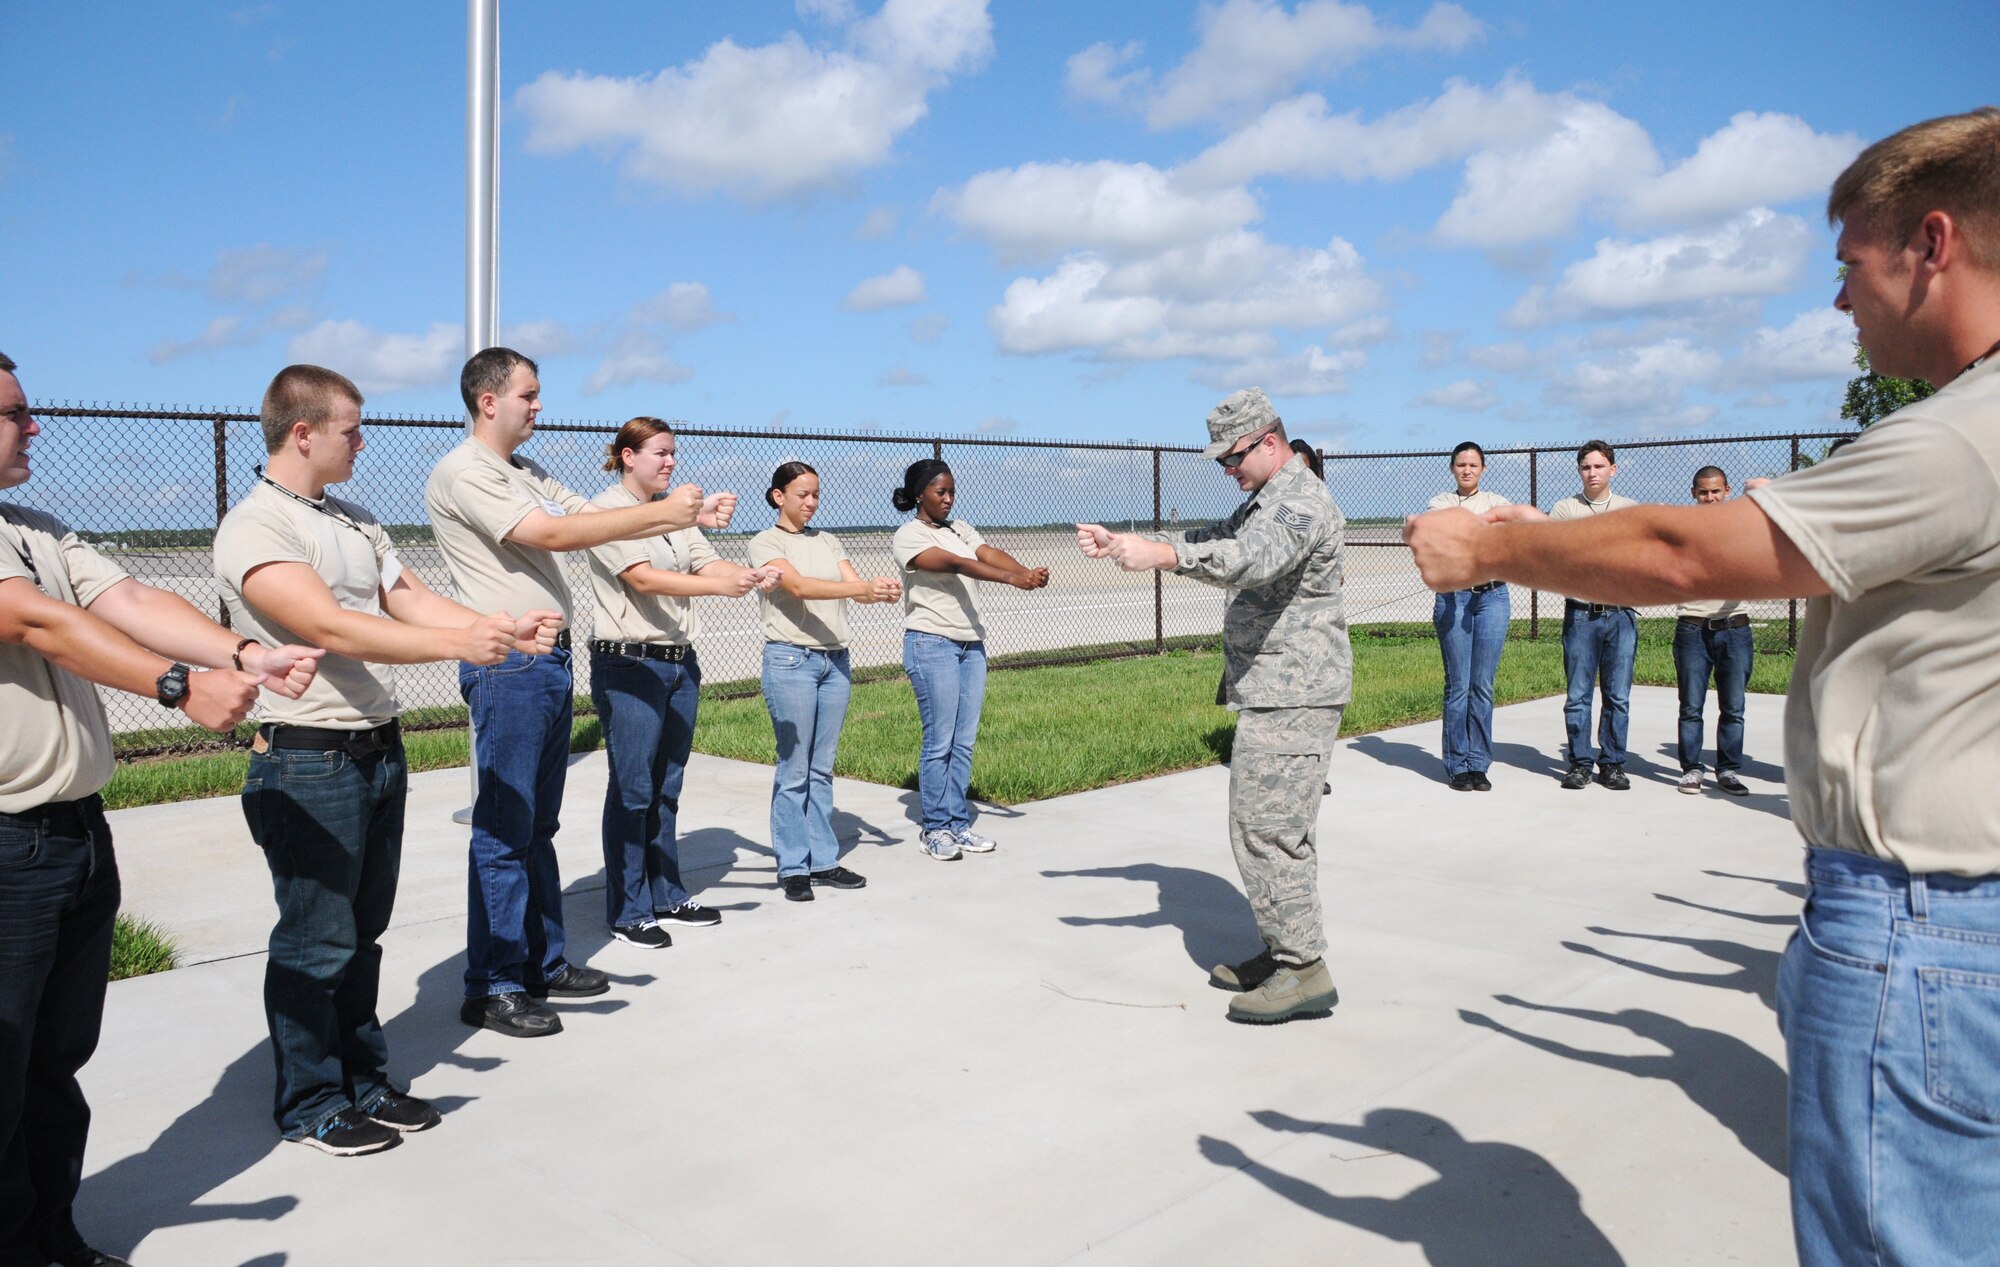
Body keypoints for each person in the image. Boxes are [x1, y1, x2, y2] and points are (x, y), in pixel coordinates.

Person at [1403, 107, 2000, 1266]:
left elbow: (1687, 556)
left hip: (1915, 923)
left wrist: (1488, 550)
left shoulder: (1957, 438)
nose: (1840, 304)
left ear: (1931, 245)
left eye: (1850, 266)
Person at [0, 350, 321, 1265]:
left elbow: (126, 596)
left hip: (71, 833)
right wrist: (180, 687)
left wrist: (241, 654)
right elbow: (34, 622)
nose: (34, 426)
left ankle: (48, 1240)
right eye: (16, 413)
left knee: (52, 1069)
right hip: (6, 841)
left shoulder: (31, 526)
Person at [215, 364, 559, 1156]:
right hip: (307, 762)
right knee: (316, 940)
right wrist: (459, 642)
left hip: (375, 751)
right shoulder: (258, 524)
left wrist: (497, 626)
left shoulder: (357, 518)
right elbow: (328, 623)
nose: (362, 441)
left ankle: (363, 1081)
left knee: (362, 935)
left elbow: (406, 597)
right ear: (303, 433)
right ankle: (310, 1102)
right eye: (351, 429)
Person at [425, 348, 732, 1037]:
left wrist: (683, 514)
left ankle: (543, 962)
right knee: (504, 832)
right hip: (509, 664)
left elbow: (589, 511)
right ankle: (496, 982)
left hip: (548, 660)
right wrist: (667, 514)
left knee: (537, 828)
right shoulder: (466, 472)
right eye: (528, 395)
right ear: (488, 401)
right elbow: (556, 532)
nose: (539, 405)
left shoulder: (524, 471)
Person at [1077, 387, 1351, 1025]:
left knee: (1269, 831)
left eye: (1233, 458)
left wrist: (1166, 556)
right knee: (1260, 826)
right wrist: (1133, 542)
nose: (1227, 471)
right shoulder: (1267, 500)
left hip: (1297, 693)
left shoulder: (1301, 500)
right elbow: (1220, 535)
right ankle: (1283, 952)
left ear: (1270, 442)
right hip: (1279, 690)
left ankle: (1304, 970)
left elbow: (1248, 559)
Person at [584, 418, 777, 946]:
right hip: (630, 664)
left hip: (677, 663)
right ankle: (628, 910)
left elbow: (707, 562)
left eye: (673, 454)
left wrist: (747, 576)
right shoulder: (606, 513)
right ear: (628, 456)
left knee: (666, 786)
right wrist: (717, 587)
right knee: (633, 789)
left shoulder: (673, 513)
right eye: (660, 454)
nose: (670, 462)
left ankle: (666, 893)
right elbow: (642, 578)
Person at [749, 461, 900, 901]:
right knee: (795, 768)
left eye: (816, 494)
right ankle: (793, 866)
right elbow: (796, 586)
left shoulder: (830, 539)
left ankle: (824, 861)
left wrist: (877, 589)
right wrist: (861, 590)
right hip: (792, 660)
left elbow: (852, 584)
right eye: (802, 495)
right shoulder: (766, 542)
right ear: (779, 496)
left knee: (821, 766)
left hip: (835, 662)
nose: (811, 502)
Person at [891, 458, 1047, 861]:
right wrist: (1012, 580)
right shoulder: (908, 535)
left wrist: (1025, 572)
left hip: (970, 646)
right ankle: (936, 827)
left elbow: (986, 552)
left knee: (963, 741)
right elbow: (956, 563)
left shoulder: (960, 528)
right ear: (920, 494)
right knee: (939, 740)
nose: (948, 499)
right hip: (932, 643)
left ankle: (959, 824)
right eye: (940, 492)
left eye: (951, 491)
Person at [1548, 440, 1640, 791]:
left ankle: (1613, 763)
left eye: (1599, 466)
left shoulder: (1628, 509)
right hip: (1582, 616)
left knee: (1617, 695)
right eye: (1586, 467)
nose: (1592, 472)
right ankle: (1580, 762)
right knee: (1578, 695)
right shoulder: (1565, 509)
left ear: (1612, 469)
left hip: (1620, 615)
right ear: (1579, 470)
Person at [1425, 442, 1510, 791]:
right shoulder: (1440, 502)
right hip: (1454, 596)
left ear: (1483, 469)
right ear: (1452, 468)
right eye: (1461, 464)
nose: (1467, 470)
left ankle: (1479, 763)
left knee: (1482, 686)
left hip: (1492, 596)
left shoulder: (1498, 501)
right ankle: (1458, 764)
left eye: (1473, 464)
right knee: (1458, 685)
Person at [1672, 466, 1753, 797]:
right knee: (1691, 705)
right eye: (1704, 492)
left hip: (1735, 626)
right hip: (1692, 626)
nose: (1710, 498)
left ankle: (1728, 769)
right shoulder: (1683, 529)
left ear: (1727, 490)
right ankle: (1692, 769)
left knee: (1733, 706)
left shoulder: (1742, 527)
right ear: (1694, 493)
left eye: (1716, 491)